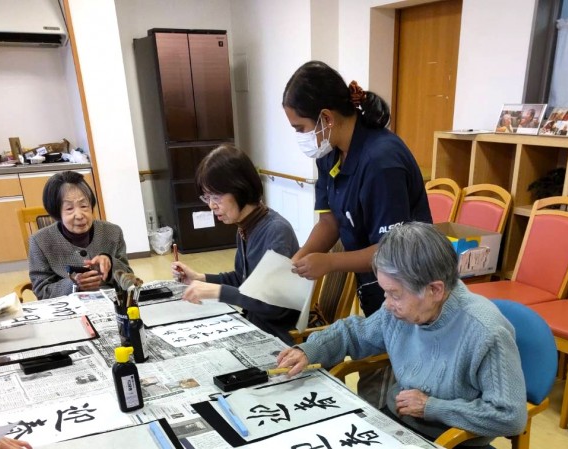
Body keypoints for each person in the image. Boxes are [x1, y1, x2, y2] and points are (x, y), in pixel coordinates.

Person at [277, 222, 527, 448]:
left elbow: (510, 416)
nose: (387, 304)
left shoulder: (486, 331)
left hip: (455, 439)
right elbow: (354, 333)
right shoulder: (400, 311)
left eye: (395, 294)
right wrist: (309, 350)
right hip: (400, 422)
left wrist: (432, 407)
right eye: (385, 292)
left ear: (435, 290)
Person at [282, 60, 431, 317]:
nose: (300, 137)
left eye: (300, 128)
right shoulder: (329, 153)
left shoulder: (382, 161)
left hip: (410, 286)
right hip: (373, 281)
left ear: (326, 118)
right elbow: (330, 222)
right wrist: (298, 260)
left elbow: (391, 251)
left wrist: (329, 262)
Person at [171, 144, 300, 344]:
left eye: (216, 197)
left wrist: (216, 292)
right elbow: (243, 280)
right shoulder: (245, 227)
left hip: (278, 336)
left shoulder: (276, 231)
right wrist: (199, 278)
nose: (211, 205)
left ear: (240, 189)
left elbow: (272, 305)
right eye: (207, 197)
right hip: (255, 324)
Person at [29, 171, 132, 299]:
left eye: (84, 206)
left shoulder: (113, 232)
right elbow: (41, 291)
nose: (79, 215)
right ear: (57, 212)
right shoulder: (40, 241)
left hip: (112, 304)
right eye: (69, 208)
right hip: (69, 307)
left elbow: (129, 280)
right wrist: (74, 284)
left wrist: (111, 264)